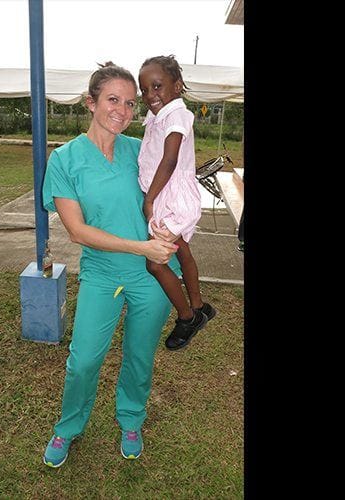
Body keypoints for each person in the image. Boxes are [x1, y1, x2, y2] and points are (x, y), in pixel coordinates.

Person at [41, 62, 180, 468]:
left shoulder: (141, 150)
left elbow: (174, 189)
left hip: (151, 276)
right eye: (113, 100)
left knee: (140, 356)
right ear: (91, 103)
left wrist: (171, 230)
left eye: (130, 103)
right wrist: (142, 246)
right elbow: (78, 232)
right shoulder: (65, 159)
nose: (122, 110)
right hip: (103, 274)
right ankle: (68, 427)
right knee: (83, 360)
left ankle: (131, 419)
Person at [137, 55, 216, 351]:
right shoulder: (159, 115)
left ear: (177, 85)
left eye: (157, 86)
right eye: (144, 90)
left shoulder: (176, 114)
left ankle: (186, 317)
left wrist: (149, 200)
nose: (150, 95)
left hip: (168, 197)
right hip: (168, 195)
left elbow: (169, 160)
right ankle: (199, 306)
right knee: (182, 251)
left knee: (155, 264)